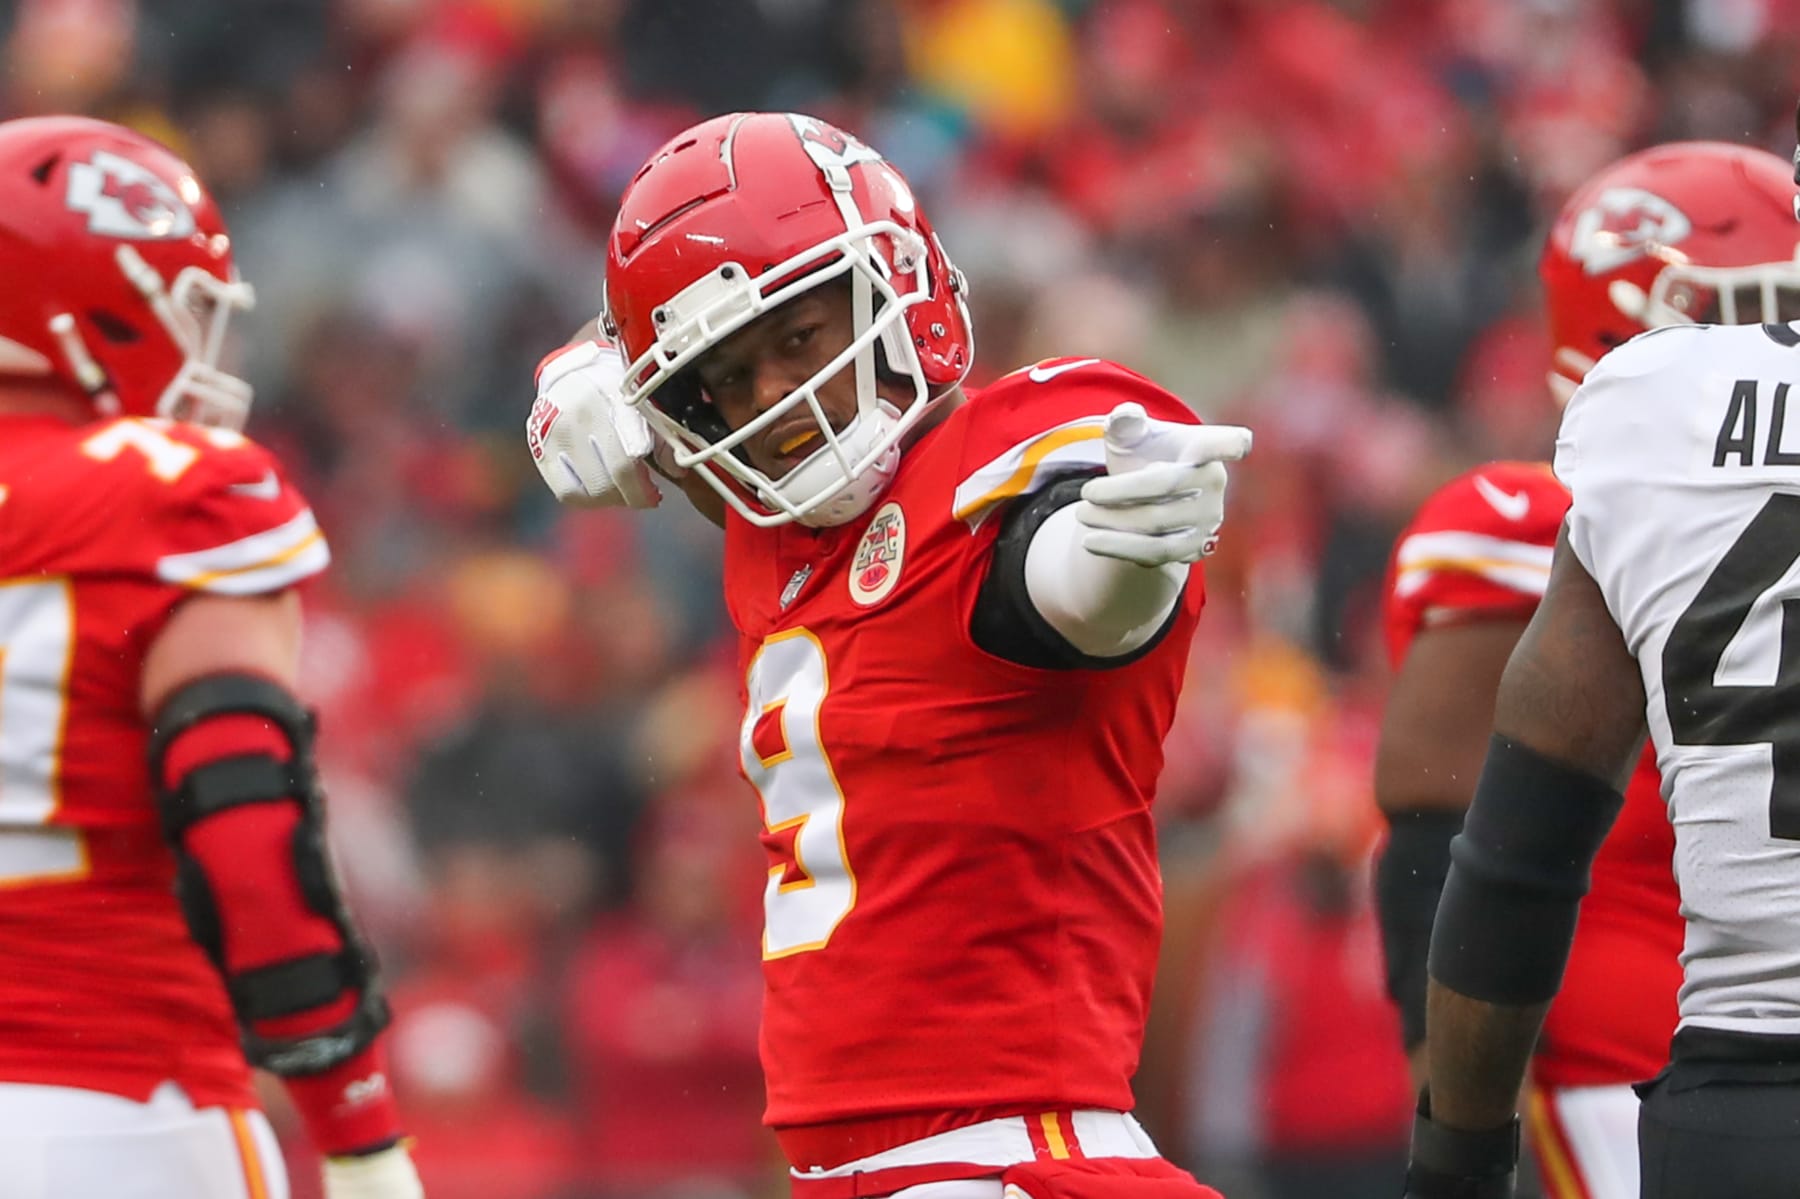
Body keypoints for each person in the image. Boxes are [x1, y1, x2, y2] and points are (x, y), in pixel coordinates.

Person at [527, 111, 1250, 1199]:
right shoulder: (778, 534)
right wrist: (576, 366)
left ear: (897, 292)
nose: (777, 397)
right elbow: (669, 354)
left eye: (804, 337)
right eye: (734, 375)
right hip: (860, 1166)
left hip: (1010, 1153)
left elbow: (1055, 581)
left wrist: (1120, 557)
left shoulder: (1003, 465)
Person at [0, 116, 422, 1199]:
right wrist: (359, 1129)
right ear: (92, 304)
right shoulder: (170, 489)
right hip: (114, 1106)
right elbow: (247, 829)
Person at [1374, 141, 1800, 1199]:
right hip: (1609, 1064)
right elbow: (1445, 833)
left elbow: (1518, 837)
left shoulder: (1639, 468)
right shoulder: (1521, 515)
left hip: (1724, 1083)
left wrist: (1453, 1155)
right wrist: (1458, 1104)